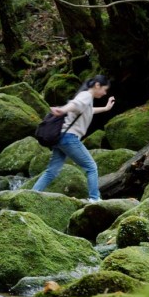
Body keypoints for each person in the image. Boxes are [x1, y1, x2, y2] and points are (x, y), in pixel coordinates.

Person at [31, 74, 115, 202]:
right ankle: (94, 198)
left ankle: (31, 194)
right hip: (69, 138)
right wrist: (63, 110)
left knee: (52, 171)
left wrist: (106, 108)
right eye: (104, 89)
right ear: (97, 85)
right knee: (91, 167)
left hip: (61, 138)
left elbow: (88, 110)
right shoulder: (86, 96)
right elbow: (75, 104)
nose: (104, 93)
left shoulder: (87, 98)